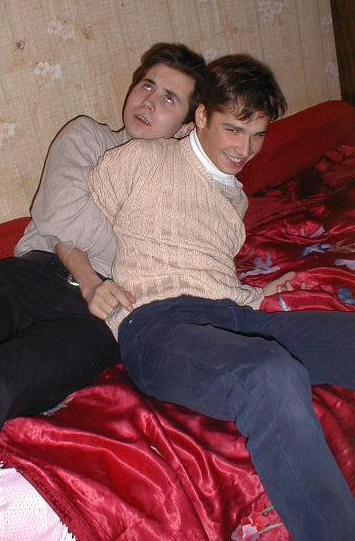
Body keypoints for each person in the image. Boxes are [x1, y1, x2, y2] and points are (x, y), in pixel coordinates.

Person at [0, 43, 206, 520]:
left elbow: (171, 267)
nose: (149, 101)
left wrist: (92, 243)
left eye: (169, 98)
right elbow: (59, 215)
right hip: (29, 276)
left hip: (96, 325)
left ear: (188, 125)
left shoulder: (183, 196)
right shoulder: (87, 136)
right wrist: (116, 253)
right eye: (146, 85)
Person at [86, 55, 355, 541]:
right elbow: (68, 219)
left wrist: (255, 294)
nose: (245, 149)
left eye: (258, 135)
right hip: (156, 325)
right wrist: (86, 280)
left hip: (231, 313)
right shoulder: (141, 158)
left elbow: (206, 270)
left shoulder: (235, 199)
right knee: (270, 375)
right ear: (202, 115)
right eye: (233, 130)